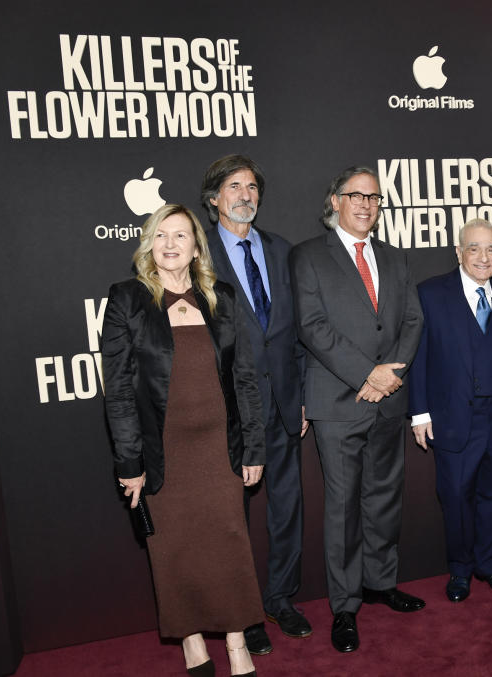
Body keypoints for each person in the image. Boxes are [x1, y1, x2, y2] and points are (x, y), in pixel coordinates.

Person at [103, 204, 265, 677]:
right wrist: (129, 462)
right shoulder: (127, 300)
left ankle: (237, 643)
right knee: (174, 547)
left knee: (229, 541)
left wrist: (254, 446)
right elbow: (118, 391)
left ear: (197, 246)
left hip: (220, 448)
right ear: (149, 244)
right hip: (164, 454)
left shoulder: (222, 297)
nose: (171, 244)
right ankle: (192, 642)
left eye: (181, 235)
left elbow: (246, 379)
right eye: (161, 235)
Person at [290, 166, 425, 653]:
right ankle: (345, 606)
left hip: (390, 399)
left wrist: (392, 374)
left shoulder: (393, 256)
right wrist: (367, 374)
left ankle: (379, 583)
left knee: (384, 498)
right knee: (344, 507)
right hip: (338, 401)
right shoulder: (308, 256)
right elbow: (312, 327)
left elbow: (413, 318)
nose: (366, 205)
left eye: (374, 197)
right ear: (335, 201)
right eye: (356, 196)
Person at [200, 155, 311, 654]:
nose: (245, 195)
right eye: (234, 187)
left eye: (252, 187)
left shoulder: (283, 251)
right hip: (230, 412)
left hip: (286, 404)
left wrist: (303, 396)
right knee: (233, 520)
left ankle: (281, 598)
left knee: (287, 509)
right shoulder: (197, 257)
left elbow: (298, 334)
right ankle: (244, 614)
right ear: (213, 198)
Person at [409, 219, 492, 603]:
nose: (483, 256)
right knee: (456, 497)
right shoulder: (429, 293)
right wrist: (419, 412)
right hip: (452, 418)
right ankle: (459, 570)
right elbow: (417, 357)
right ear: (458, 252)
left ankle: (488, 563)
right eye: (474, 248)